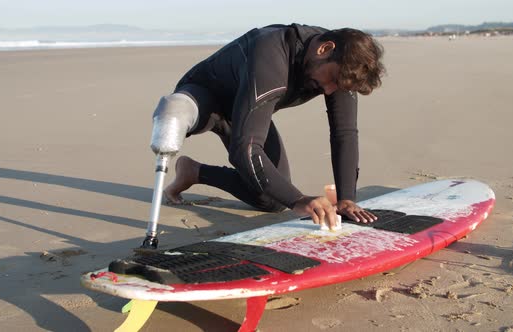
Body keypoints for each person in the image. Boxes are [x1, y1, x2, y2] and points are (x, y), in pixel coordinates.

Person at [151, 23, 385, 230]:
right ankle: (180, 119)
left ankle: (194, 171)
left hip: (248, 105)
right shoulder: (271, 56)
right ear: (324, 49)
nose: (330, 91)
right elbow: (245, 150)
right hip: (207, 97)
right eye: (332, 80)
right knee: (283, 193)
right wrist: (299, 200)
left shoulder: (341, 66)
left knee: (272, 200)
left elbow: (343, 132)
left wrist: (346, 198)